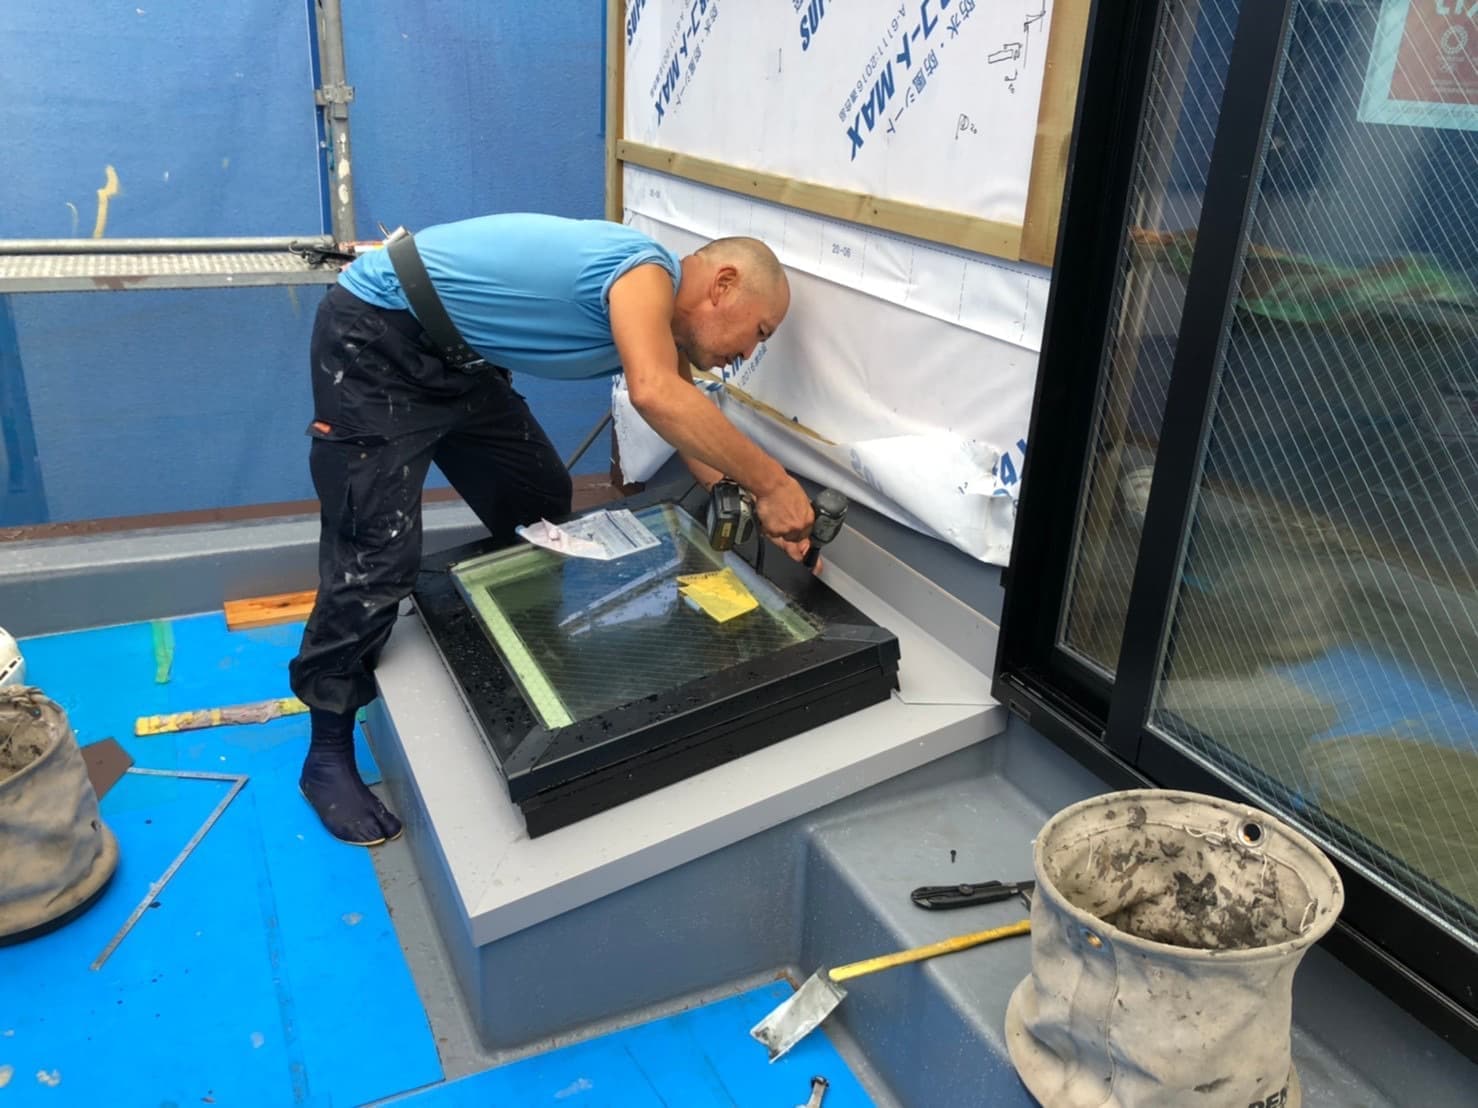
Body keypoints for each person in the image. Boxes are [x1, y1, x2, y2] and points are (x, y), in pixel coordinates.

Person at [288, 213, 816, 846]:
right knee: (376, 557)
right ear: (724, 285)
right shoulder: (646, 272)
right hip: (380, 338)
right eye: (759, 333)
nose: (748, 355)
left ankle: (528, 638)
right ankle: (326, 751)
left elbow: (682, 415)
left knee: (535, 496)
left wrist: (753, 504)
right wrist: (776, 485)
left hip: (462, 359)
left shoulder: (659, 323)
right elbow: (654, 394)